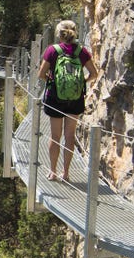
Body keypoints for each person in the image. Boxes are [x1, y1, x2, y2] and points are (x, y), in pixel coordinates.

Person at [37, 19, 98, 181]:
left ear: (59, 34)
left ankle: (53, 172)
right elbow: (94, 74)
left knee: (55, 136)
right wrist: (80, 82)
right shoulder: (82, 51)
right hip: (76, 99)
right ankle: (66, 173)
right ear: (74, 33)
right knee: (70, 136)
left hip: (55, 98)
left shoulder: (52, 50)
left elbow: (41, 74)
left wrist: (54, 80)